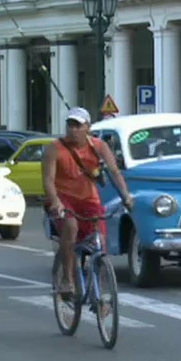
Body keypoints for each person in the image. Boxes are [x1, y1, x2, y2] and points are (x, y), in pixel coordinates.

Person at [42, 107, 133, 296]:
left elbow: (114, 173)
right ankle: (67, 279)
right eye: (70, 125)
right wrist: (56, 202)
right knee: (71, 226)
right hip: (63, 198)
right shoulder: (54, 148)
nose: (73, 130)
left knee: (99, 242)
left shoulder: (98, 146)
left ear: (87, 127)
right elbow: (48, 181)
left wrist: (126, 196)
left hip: (89, 200)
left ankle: (99, 290)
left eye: (78, 125)